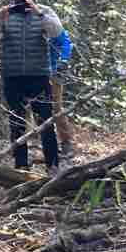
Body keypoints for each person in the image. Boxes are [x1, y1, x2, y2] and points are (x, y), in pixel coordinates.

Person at [0, 0, 64, 171]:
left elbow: (56, 32)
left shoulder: (44, 11)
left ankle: (53, 166)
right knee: (16, 122)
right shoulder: (6, 13)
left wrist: (39, 13)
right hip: (13, 75)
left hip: (39, 75)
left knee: (45, 122)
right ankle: (20, 167)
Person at [50, 27, 75, 159]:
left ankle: (66, 143)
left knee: (56, 107)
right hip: (32, 71)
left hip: (53, 71)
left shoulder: (50, 22)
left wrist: (63, 60)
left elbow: (66, 43)